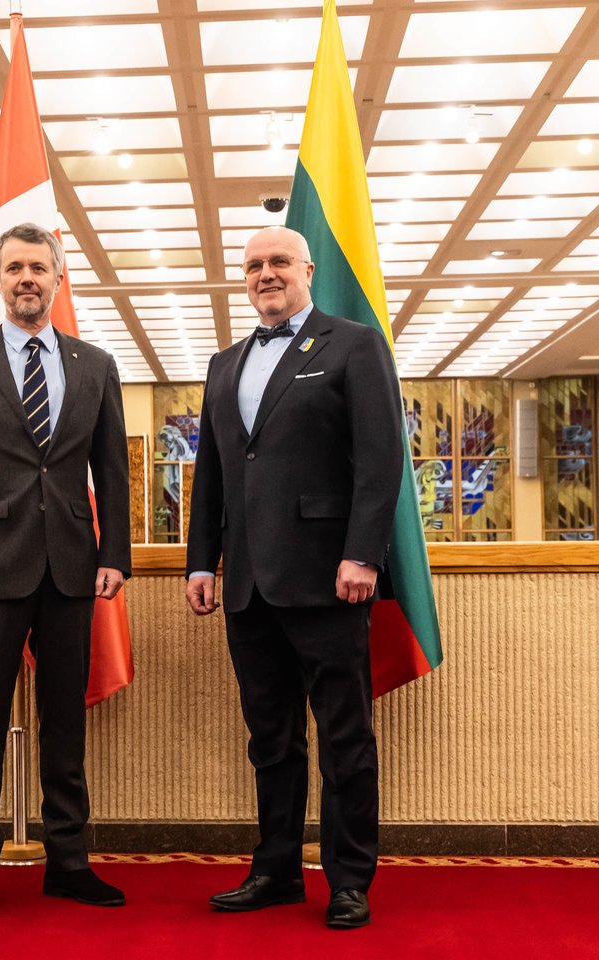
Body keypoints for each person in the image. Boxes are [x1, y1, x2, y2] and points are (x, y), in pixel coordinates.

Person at [184, 226, 403, 929]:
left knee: (344, 738)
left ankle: (349, 880)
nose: (265, 274)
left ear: (308, 269)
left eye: (279, 261)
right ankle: (275, 871)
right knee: (271, 740)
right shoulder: (224, 364)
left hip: (329, 579)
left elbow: (380, 457)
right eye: (253, 265)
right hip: (247, 585)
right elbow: (213, 474)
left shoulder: (354, 344)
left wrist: (363, 553)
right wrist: (200, 560)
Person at [0, 223, 131, 917]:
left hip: (72, 569)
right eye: (14, 268)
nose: (27, 278)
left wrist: (115, 553)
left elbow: (112, 469)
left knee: (64, 725)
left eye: (38, 267)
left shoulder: (96, 365)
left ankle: (68, 862)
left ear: (59, 278)